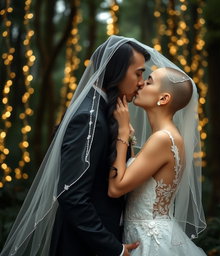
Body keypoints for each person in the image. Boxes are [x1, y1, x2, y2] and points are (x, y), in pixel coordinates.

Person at [0, 36, 150, 256]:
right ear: (115, 71)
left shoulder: (103, 112)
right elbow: (72, 195)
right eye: (138, 73)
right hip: (82, 247)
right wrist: (113, 248)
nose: (141, 82)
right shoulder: (89, 118)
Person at [108, 67, 207, 255]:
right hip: (143, 235)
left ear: (163, 98)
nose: (141, 83)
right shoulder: (167, 137)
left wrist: (121, 134)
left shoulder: (162, 139)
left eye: (149, 81)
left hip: (151, 243)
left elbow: (116, 188)